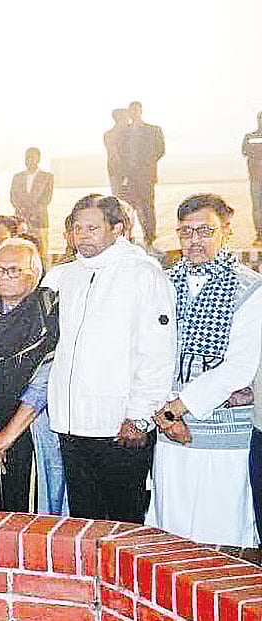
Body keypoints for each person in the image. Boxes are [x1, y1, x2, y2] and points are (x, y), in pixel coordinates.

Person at [46, 194, 174, 523]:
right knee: (85, 522)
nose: (82, 235)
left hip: (120, 426)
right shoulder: (69, 275)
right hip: (73, 425)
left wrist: (139, 416)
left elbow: (157, 353)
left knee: (122, 523)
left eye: (92, 227)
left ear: (117, 229)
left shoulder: (143, 274)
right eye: (77, 228)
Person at [146, 195, 260, 547]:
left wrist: (177, 408)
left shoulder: (250, 288)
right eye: (185, 232)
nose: (194, 240)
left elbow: (239, 368)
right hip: (170, 434)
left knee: (222, 540)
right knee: (171, 537)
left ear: (226, 232)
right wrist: (166, 414)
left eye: (205, 231)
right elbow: (152, 353)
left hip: (224, 438)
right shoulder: (163, 283)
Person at [0, 238, 68, 514]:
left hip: (33, 427)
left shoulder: (51, 311)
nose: (3, 277)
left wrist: (7, 436)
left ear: (34, 274)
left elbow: (46, 379)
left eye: (13, 270)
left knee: (32, 515)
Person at [123, 102, 165, 245]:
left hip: (146, 174)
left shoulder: (153, 130)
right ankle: (130, 235)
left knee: (148, 205)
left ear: (141, 111)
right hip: (129, 175)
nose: (133, 113)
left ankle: (150, 236)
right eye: (131, 111)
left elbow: (160, 150)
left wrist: (146, 164)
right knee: (131, 205)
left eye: (136, 110)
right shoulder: (125, 132)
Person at [10, 148, 54, 233]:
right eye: (27, 158)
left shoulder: (47, 177)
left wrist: (32, 211)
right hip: (20, 218)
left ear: (38, 159)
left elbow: (46, 198)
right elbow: (13, 196)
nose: (29, 160)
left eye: (33, 157)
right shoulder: (17, 177)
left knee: (41, 244)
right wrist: (21, 209)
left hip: (39, 219)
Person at [242, 112, 262, 246]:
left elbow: (246, 152)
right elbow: (244, 152)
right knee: (257, 207)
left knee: (257, 207)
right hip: (256, 178)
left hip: (255, 177)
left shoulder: (250, 137)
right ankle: (260, 234)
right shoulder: (249, 137)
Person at [104, 109, 131, 196]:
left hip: (131, 171)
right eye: (126, 117)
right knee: (120, 196)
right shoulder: (110, 134)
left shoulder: (131, 132)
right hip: (117, 170)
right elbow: (113, 153)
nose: (128, 119)